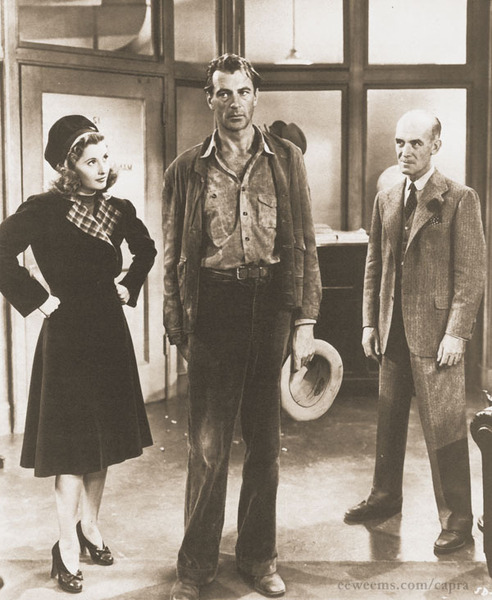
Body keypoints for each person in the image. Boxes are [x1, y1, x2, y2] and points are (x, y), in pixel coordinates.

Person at [162, 54, 321, 600]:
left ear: (256, 96)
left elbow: (304, 243)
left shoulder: (287, 160)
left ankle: (258, 558)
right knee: (208, 449)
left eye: (243, 92)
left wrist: (304, 319)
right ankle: (195, 568)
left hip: (270, 306)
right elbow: (173, 255)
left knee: (265, 447)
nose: (235, 103)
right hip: (213, 309)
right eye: (224, 93)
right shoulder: (186, 168)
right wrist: (178, 327)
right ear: (209, 98)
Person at [0, 115, 156, 593]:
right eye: (91, 161)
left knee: (101, 444)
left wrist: (129, 285)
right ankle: (65, 548)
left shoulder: (118, 208)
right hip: (68, 340)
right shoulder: (44, 209)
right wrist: (38, 300)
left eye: (105, 157)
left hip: (109, 336)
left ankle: (89, 528)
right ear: (69, 168)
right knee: (71, 452)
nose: (103, 168)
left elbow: (146, 249)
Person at [344, 109, 487, 555]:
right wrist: (370, 322)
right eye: (400, 143)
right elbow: (374, 264)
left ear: (435, 146)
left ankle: (457, 520)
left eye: (416, 144)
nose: (405, 151)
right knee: (388, 422)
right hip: (392, 332)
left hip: (437, 336)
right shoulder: (387, 198)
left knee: (445, 427)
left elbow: (471, 273)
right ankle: (385, 496)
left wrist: (457, 333)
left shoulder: (460, 198)